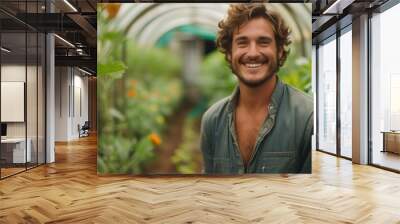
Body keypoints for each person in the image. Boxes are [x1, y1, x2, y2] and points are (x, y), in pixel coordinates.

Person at [200, 3, 313, 174]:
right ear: (230, 53)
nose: (252, 52)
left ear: (280, 51)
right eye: (242, 43)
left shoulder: (308, 118)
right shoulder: (212, 120)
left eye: (263, 42)